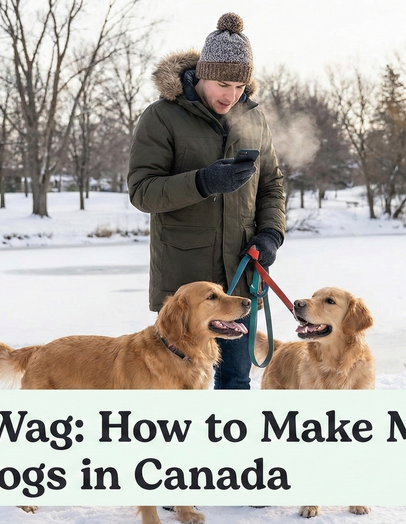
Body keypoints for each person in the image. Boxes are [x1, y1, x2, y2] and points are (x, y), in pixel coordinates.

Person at [128, 12, 287, 390]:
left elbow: (272, 186)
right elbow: (142, 191)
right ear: (201, 74)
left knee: (234, 380)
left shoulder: (254, 118)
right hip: (185, 287)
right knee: (175, 385)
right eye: (222, 83)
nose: (230, 95)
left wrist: (270, 234)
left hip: (240, 278)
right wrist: (202, 182)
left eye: (239, 86)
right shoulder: (161, 117)